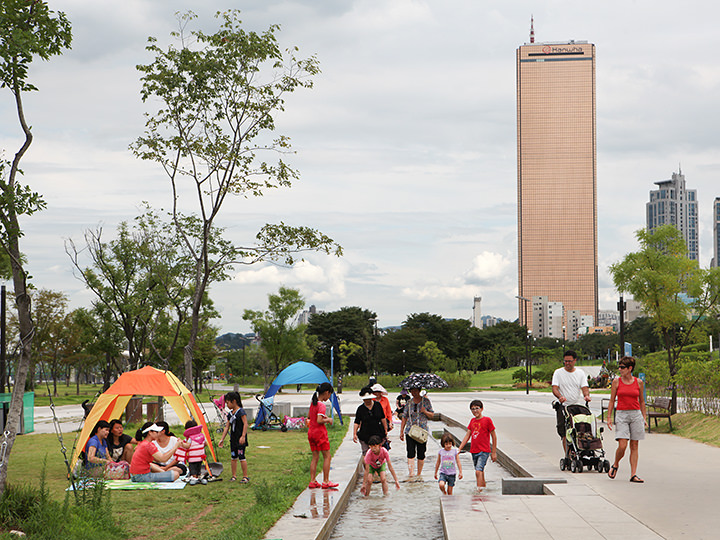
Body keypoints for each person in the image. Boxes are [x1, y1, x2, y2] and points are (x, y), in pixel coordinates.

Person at [606, 356, 648, 483]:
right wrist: (609, 417)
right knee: (622, 445)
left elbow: (641, 401)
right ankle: (616, 464)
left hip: (635, 414)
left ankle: (633, 474)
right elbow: (612, 400)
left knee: (634, 445)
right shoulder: (616, 382)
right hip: (621, 414)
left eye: (622, 367)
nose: (620, 369)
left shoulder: (639, 382)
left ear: (630, 368)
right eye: (619, 367)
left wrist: (644, 417)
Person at [552, 350, 591, 452]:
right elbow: (555, 388)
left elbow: (584, 387)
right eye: (565, 361)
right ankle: (568, 455)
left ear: (574, 361)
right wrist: (560, 396)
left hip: (577, 406)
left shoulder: (580, 373)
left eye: (569, 361)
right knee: (564, 432)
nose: (567, 363)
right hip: (563, 406)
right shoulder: (558, 372)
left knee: (580, 429)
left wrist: (586, 396)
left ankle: (581, 450)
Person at [458, 399, 497, 489]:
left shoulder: (487, 420)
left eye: (477, 408)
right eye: (472, 409)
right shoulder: (472, 421)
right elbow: (467, 435)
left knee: (478, 471)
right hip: (474, 451)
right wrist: (459, 448)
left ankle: (478, 491)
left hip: (484, 451)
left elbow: (494, 436)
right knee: (480, 471)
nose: (475, 411)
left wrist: (493, 452)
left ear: (482, 409)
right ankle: (483, 488)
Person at [307, 382, 339, 489]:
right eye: (329, 395)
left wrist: (322, 417)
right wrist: (328, 420)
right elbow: (319, 420)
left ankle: (312, 481)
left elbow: (310, 416)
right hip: (319, 433)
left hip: (311, 432)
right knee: (327, 456)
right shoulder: (321, 405)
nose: (328, 397)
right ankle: (325, 481)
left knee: (315, 457)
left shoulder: (313, 403)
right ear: (326, 392)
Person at [399, 386, 434, 476]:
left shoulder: (426, 401)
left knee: (421, 453)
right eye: (412, 391)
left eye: (415, 390)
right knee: (410, 452)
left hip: (422, 431)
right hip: (410, 431)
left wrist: (425, 411)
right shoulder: (409, 403)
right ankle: (411, 473)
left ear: (419, 391)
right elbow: (404, 417)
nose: (414, 393)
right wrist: (401, 431)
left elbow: (432, 415)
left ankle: (419, 473)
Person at [218, 391, 249, 483]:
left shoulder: (241, 412)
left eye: (228, 402)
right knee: (233, 457)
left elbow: (245, 424)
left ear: (234, 401)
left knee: (241, 456)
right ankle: (234, 475)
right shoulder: (230, 414)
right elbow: (227, 427)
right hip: (233, 439)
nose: (227, 405)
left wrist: (243, 436)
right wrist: (222, 439)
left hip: (240, 439)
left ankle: (245, 476)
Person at [353, 386, 388, 455]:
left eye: (369, 399)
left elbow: (383, 418)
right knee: (366, 454)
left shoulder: (378, 405)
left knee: (378, 453)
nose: (367, 400)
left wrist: (385, 429)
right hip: (365, 434)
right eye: (365, 399)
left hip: (377, 433)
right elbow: (357, 422)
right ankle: (367, 465)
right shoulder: (360, 409)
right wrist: (354, 433)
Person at [176, 419, 208, 485]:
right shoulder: (201, 435)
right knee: (198, 466)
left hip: (193, 458)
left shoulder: (191, 438)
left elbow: (187, 446)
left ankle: (194, 477)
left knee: (193, 468)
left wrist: (181, 443)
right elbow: (205, 443)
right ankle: (199, 476)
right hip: (200, 456)